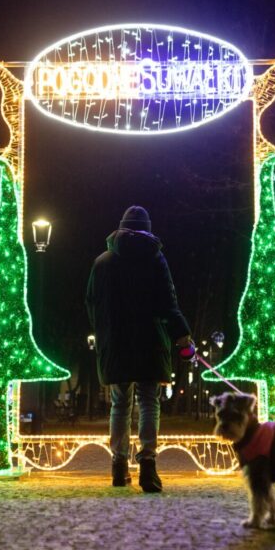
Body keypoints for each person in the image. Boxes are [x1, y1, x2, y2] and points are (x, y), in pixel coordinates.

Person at [85, 205, 192, 492]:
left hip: (116, 343)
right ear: (147, 229)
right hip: (150, 341)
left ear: (121, 228)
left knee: (120, 404)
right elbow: (168, 303)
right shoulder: (155, 259)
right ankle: (148, 466)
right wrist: (182, 336)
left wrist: (104, 333)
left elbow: (92, 303)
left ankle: (119, 466)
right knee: (148, 401)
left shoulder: (102, 262)